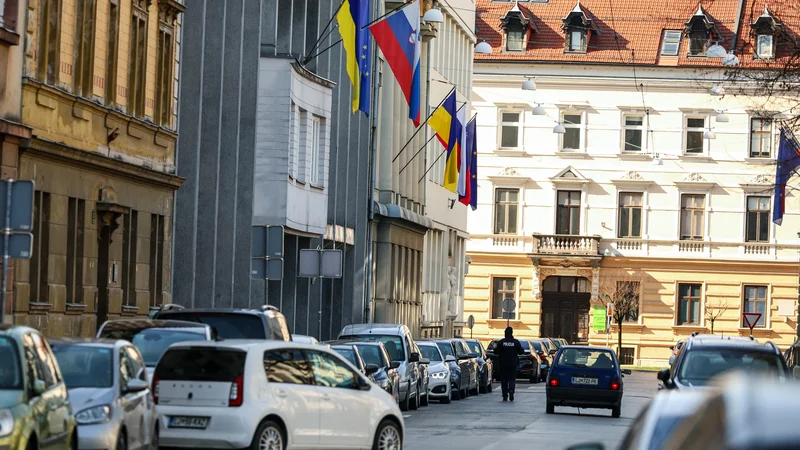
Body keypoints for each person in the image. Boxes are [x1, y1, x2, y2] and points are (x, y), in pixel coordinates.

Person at [496, 326, 524, 402]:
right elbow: (521, 351)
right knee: (512, 378)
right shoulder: (516, 342)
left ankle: (505, 394)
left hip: (503, 364)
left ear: (505, 333)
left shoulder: (501, 342)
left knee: (504, 379)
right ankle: (511, 390)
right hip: (513, 364)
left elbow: (496, 351)